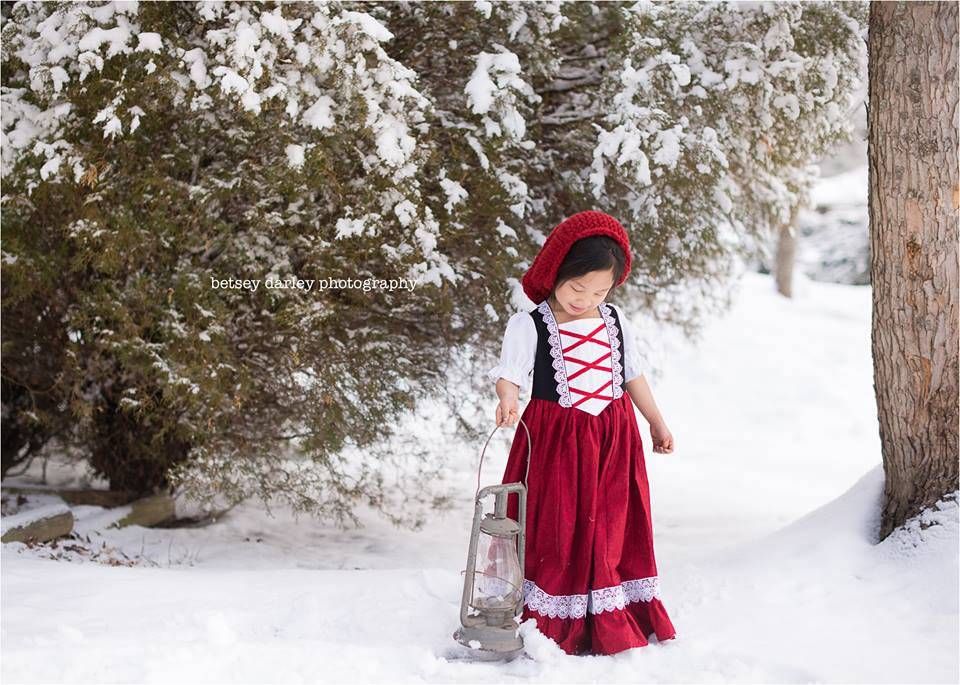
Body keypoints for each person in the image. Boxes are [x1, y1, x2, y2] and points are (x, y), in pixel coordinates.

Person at [487, 210, 677, 656]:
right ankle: (555, 615)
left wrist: (655, 420)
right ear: (556, 273)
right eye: (577, 287)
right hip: (556, 439)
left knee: (611, 523)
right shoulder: (530, 324)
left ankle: (607, 610)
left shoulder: (614, 320)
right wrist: (508, 399)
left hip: (613, 436)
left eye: (599, 290)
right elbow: (510, 373)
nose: (586, 298)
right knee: (558, 523)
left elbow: (632, 375)